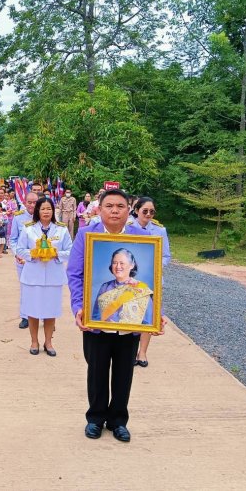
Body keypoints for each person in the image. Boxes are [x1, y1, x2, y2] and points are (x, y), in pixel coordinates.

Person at [67, 188, 166, 443]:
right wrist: (79, 307)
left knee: (124, 373)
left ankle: (118, 421)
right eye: (109, 206)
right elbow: (75, 274)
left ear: (128, 210)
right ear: (99, 209)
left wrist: (157, 315)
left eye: (120, 206)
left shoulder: (143, 237)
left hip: (129, 326)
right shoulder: (86, 235)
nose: (114, 210)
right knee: (97, 370)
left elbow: (154, 279)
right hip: (96, 323)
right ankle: (96, 418)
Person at [17, 197, 72, 357]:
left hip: (53, 277)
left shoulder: (61, 230)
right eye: (43, 209)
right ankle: (34, 341)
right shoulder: (28, 229)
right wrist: (33, 254)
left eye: (49, 209)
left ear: (53, 211)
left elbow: (70, 251)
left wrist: (56, 254)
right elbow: (19, 249)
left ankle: (49, 342)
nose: (46, 212)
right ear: (37, 211)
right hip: (33, 276)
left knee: (50, 311)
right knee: (32, 310)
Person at [133, 196, 171, 368]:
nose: (148, 214)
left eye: (152, 211)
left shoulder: (159, 230)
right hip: (132, 279)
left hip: (152, 279)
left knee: (148, 316)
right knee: (133, 314)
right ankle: (132, 350)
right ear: (136, 211)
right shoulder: (128, 228)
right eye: (145, 211)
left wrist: (154, 266)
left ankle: (143, 352)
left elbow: (166, 256)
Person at [9, 191, 39, 329]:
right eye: (30, 202)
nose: (32, 205)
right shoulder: (18, 218)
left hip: (40, 260)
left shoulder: (43, 217)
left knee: (40, 288)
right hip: (22, 260)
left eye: (35, 202)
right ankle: (25, 316)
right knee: (25, 288)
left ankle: (42, 315)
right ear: (25, 202)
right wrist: (17, 254)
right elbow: (13, 239)